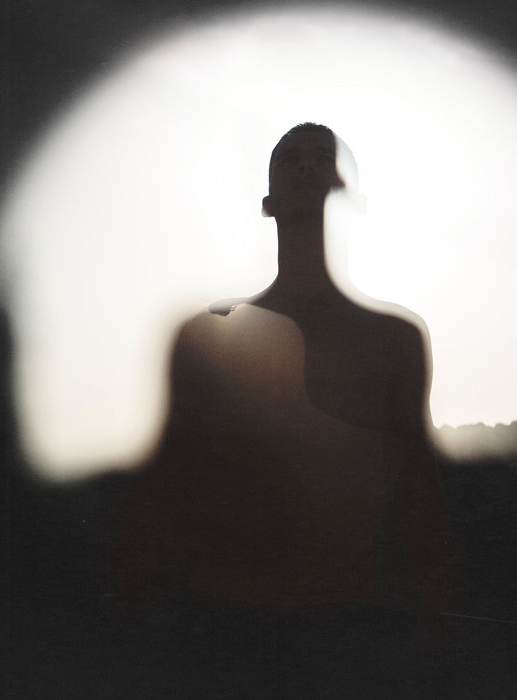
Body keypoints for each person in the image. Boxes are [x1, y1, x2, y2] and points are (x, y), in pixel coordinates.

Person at [118, 123, 446, 620]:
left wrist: (429, 620)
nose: (307, 165)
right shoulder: (213, 335)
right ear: (267, 204)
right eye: (290, 158)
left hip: (357, 618)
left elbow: (419, 492)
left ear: (355, 201)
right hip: (234, 617)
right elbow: (167, 493)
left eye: (324, 158)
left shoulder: (396, 338)